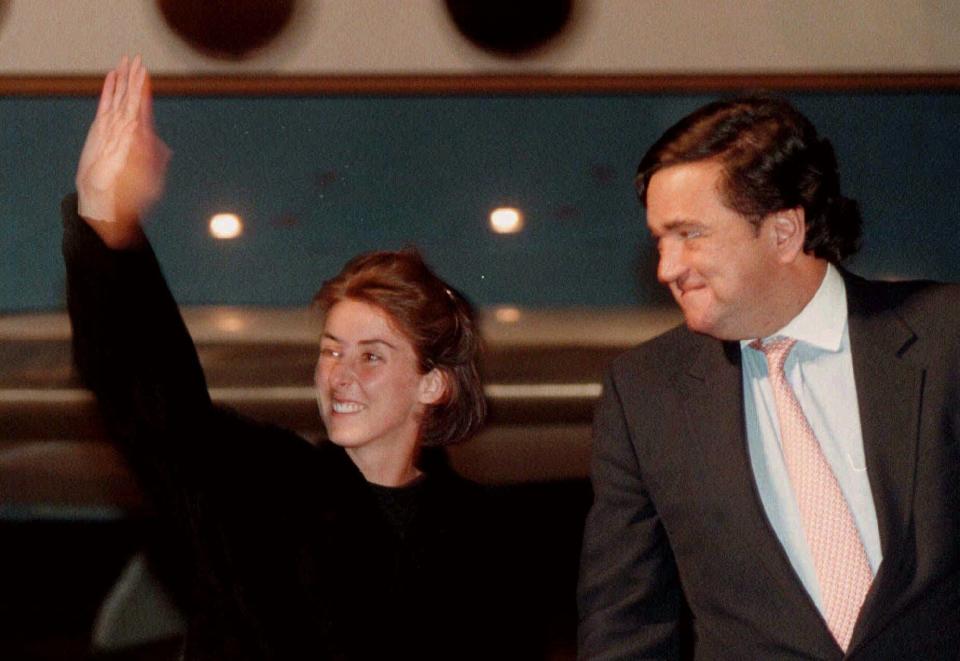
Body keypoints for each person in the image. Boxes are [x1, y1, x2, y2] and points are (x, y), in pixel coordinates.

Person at [64, 56, 528, 659]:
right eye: (331, 350)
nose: (340, 374)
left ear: (432, 385)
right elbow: (149, 398)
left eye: (371, 356)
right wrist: (106, 225)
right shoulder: (256, 489)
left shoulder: (484, 540)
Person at [577, 96, 960, 659]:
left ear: (783, 232)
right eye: (660, 239)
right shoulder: (645, 393)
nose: (667, 268)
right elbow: (626, 625)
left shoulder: (947, 338)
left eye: (691, 234)